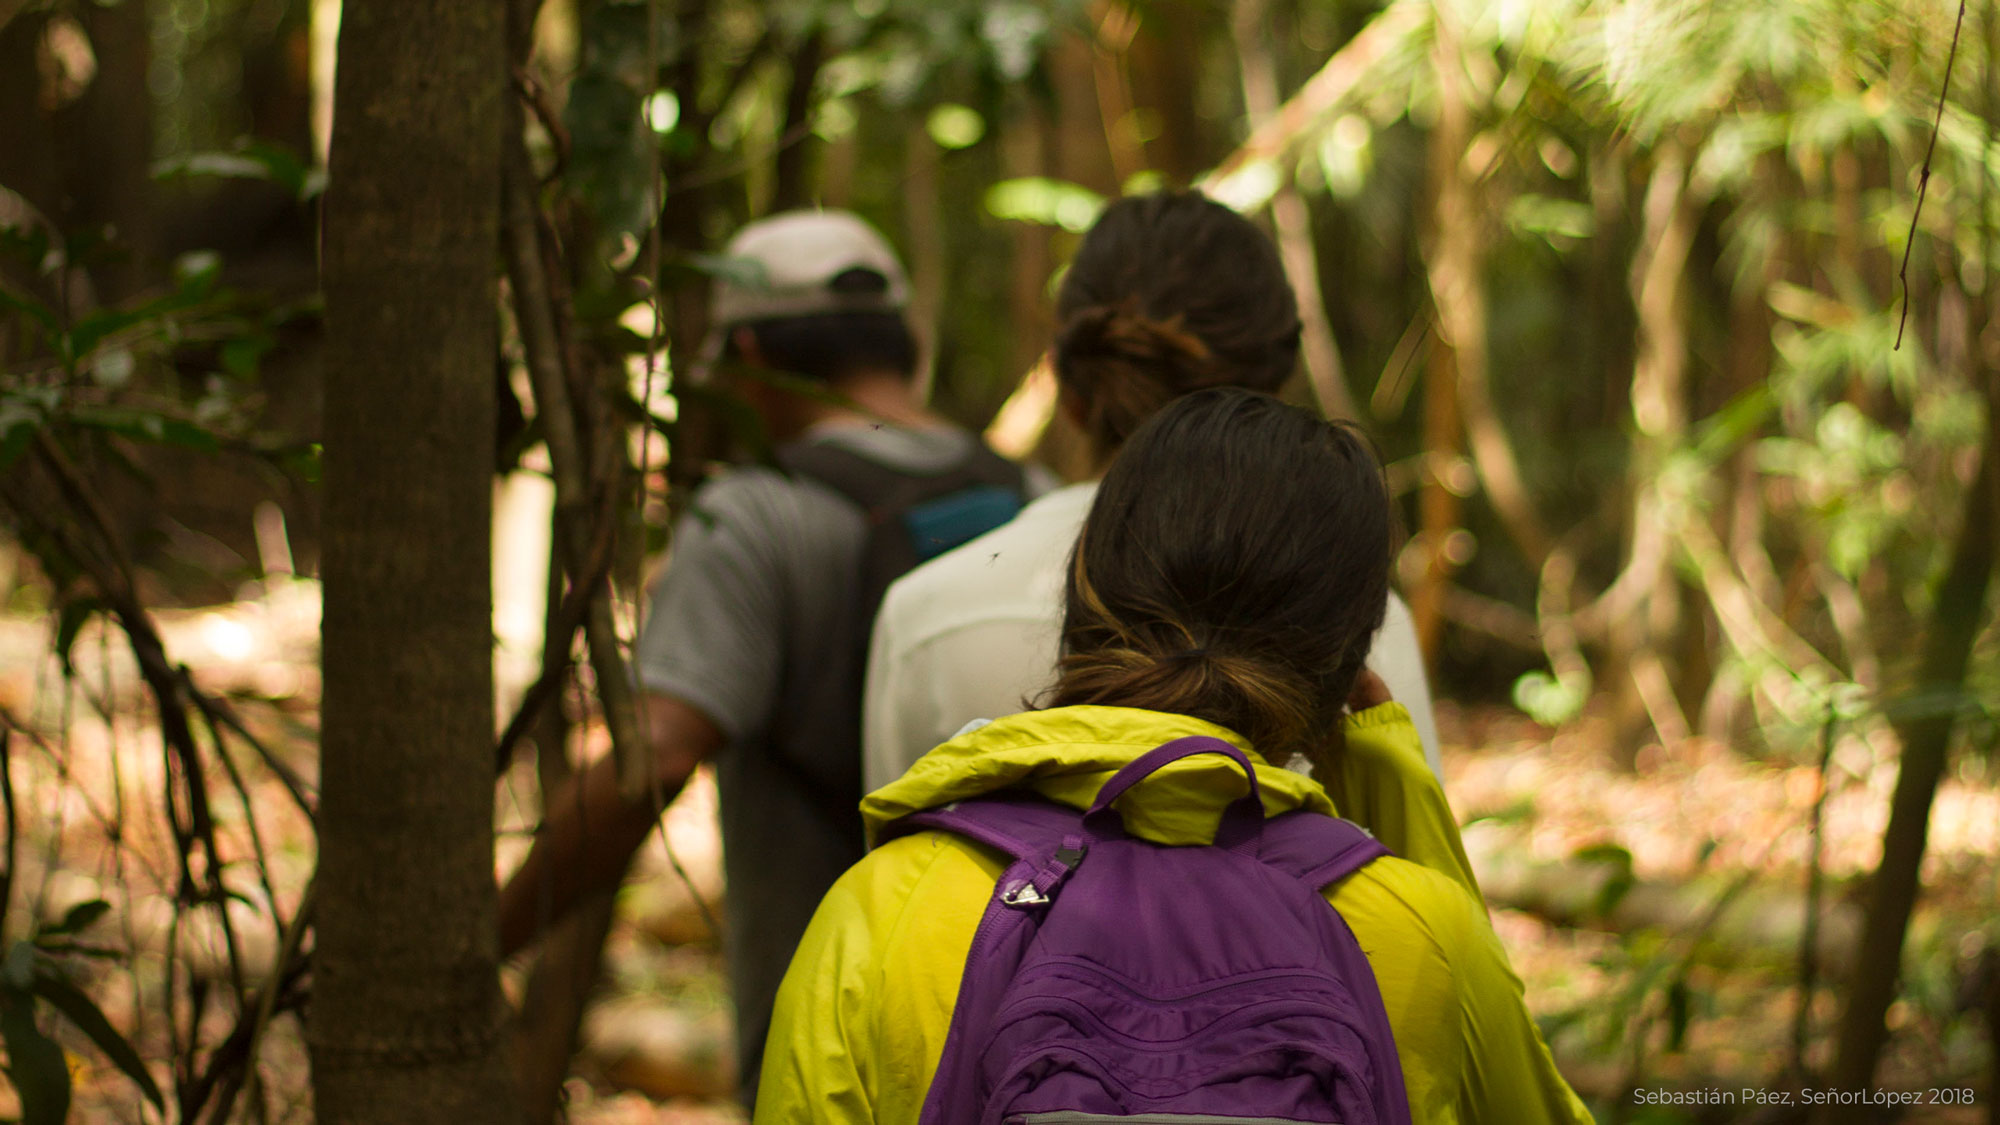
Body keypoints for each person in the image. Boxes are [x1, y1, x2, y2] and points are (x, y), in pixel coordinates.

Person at [756, 388, 1592, 1124]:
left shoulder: (885, 908)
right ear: (1350, 666)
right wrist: (1392, 778)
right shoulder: (1418, 932)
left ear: (1083, 593)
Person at [496, 209, 1029, 1106]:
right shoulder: (1031, 495)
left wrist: (492, 929)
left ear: (747, 355)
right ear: (905, 343)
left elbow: (652, 754)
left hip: (828, 1039)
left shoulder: (751, 518)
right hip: (1023, 1008)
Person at [862, 191, 1443, 812]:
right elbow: (1407, 864)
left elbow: (897, 870)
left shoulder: (927, 615)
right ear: (1272, 395)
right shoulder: (1361, 621)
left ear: (1070, 388)